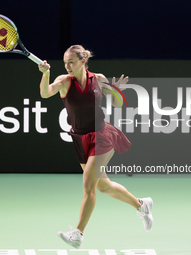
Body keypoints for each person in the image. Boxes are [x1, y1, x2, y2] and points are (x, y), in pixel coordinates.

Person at [38, 45, 153, 249]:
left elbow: (117, 104)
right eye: (65, 62)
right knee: (103, 186)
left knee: (88, 185)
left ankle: (78, 233)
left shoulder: (98, 79)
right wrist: (46, 75)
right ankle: (141, 205)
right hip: (81, 139)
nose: (67, 66)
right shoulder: (64, 82)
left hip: (102, 136)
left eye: (71, 62)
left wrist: (118, 91)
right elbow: (46, 93)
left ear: (83, 61)